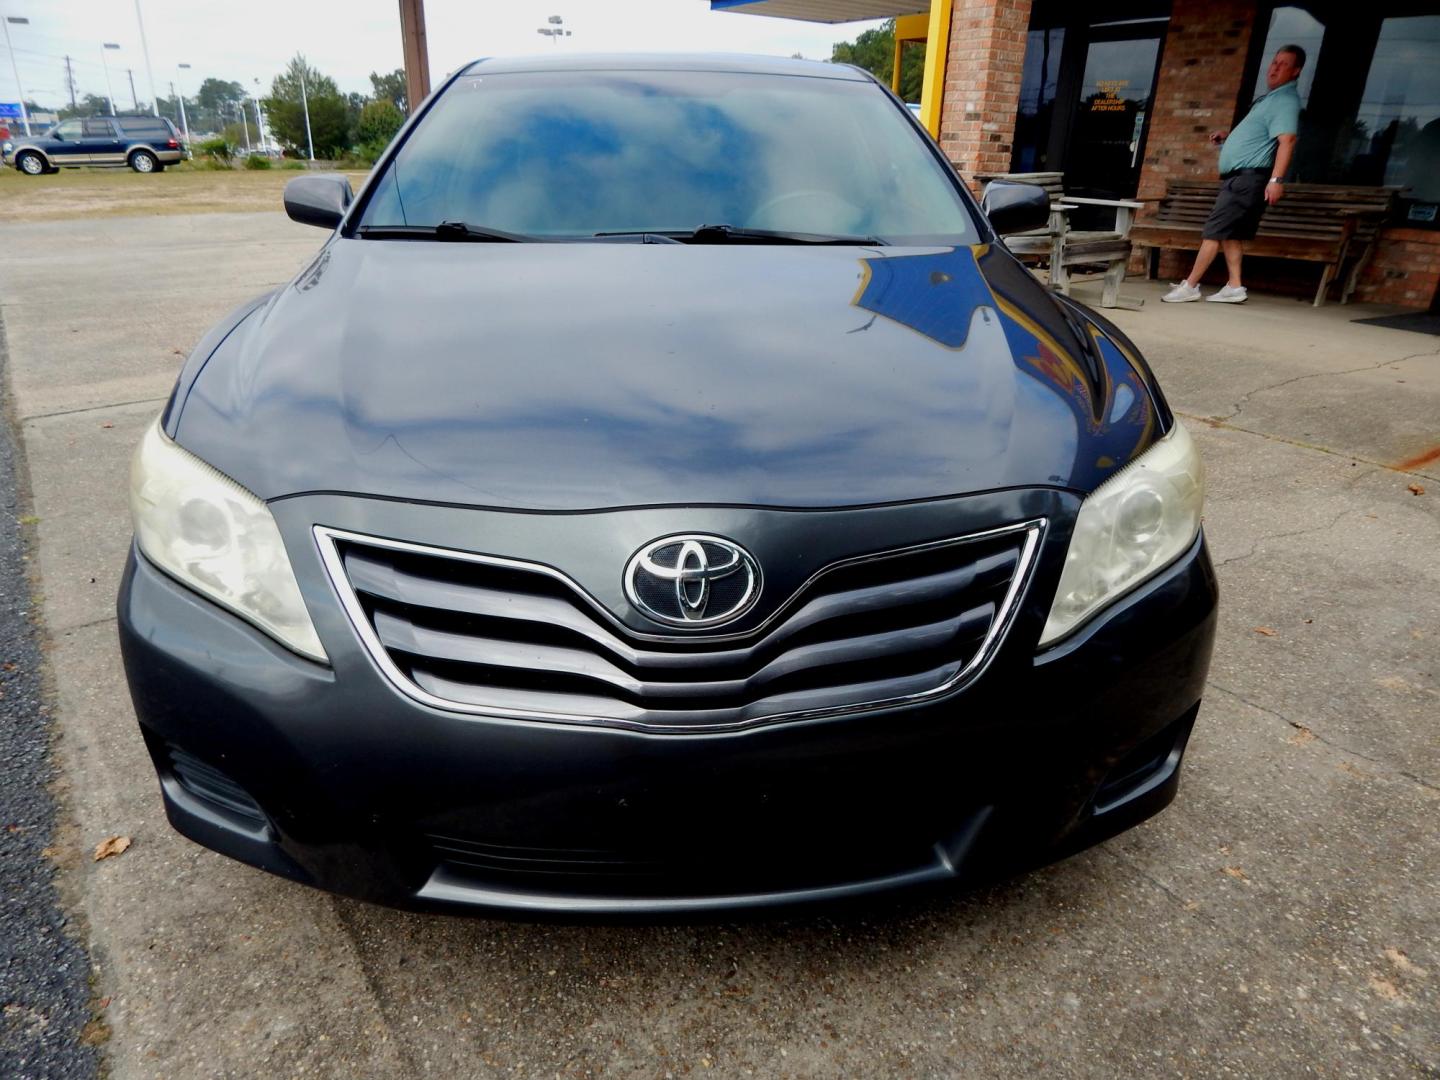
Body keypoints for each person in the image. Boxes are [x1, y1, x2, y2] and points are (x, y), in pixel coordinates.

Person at [1162, 45, 1306, 304]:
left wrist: (1276, 180)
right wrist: (1229, 138)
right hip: (1242, 178)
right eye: (1274, 62)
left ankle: (1191, 285)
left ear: (1296, 71)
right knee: (1230, 233)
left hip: (1248, 180)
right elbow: (1260, 135)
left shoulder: (1285, 101)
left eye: (1283, 64)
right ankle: (1235, 286)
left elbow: (1288, 140)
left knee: (1213, 231)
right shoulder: (1270, 99)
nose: (1274, 68)